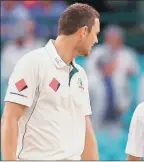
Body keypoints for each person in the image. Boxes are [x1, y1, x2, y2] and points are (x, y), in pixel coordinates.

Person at [1, 3, 100, 160]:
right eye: (95, 33)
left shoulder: (80, 74)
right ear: (83, 32)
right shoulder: (32, 63)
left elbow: (86, 131)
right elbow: (9, 118)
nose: (96, 40)